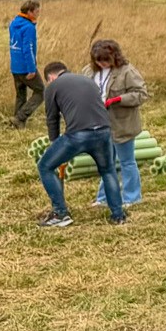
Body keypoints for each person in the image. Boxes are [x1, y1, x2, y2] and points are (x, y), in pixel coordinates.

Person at [35, 60, 125, 228]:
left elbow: (52, 119)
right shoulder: (87, 81)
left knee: (44, 166)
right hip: (104, 131)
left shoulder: (52, 87)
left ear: (51, 78)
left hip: (78, 134)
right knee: (108, 170)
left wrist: (55, 145)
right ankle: (118, 215)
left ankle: (60, 213)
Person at [84, 38, 148, 209]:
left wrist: (119, 99)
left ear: (114, 57)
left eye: (106, 60)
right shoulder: (88, 72)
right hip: (99, 124)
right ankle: (103, 197)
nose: (102, 64)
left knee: (127, 162)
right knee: (106, 163)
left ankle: (132, 197)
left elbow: (141, 94)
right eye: (98, 60)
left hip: (122, 124)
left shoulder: (127, 71)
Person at [9, 0, 43, 127]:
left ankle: (16, 123)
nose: (38, 13)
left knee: (21, 95)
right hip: (25, 67)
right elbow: (27, 48)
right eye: (37, 11)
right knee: (41, 91)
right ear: (29, 12)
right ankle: (20, 117)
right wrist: (31, 68)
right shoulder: (28, 27)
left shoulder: (13, 23)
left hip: (15, 66)